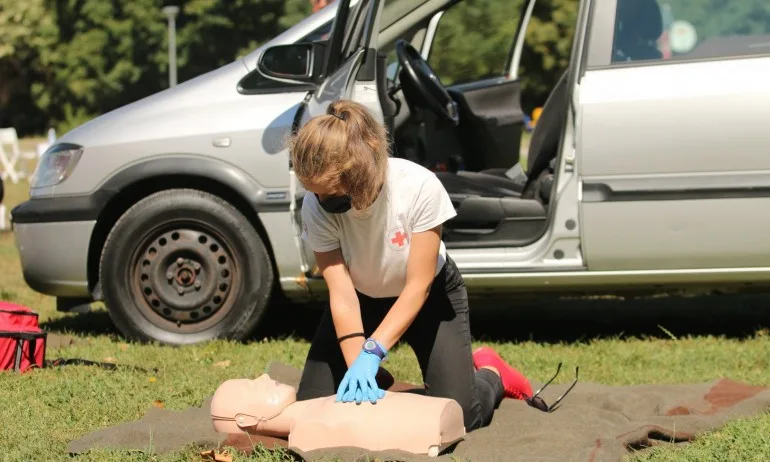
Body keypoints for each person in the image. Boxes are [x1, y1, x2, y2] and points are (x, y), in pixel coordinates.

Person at [289, 100, 532, 432]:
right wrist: (358, 366)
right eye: (314, 194)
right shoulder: (317, 205)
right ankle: (379, 380)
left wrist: (372, 352)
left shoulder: (418, 186)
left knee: (462, 415)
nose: (321, 204)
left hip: (429, 297)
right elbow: (343, 295)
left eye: (334, 199)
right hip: (362, 298)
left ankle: (491, 373)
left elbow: (418, 286)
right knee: (312, 407)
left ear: (361, 172)